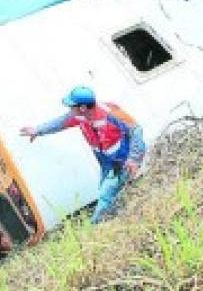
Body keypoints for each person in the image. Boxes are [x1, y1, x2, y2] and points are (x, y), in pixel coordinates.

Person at [20, 86, 146, 224]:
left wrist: (133, 159)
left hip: (122, 160)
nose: (69, 110)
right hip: (106, 162)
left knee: (106, 194)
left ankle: (94, 227)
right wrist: (37, 130)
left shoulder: (110, 114)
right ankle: (120, 216)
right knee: (106, 189)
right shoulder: (79, 116)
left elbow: (136, 130)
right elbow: (60, 122)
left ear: (83, 108)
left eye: (71, 106)